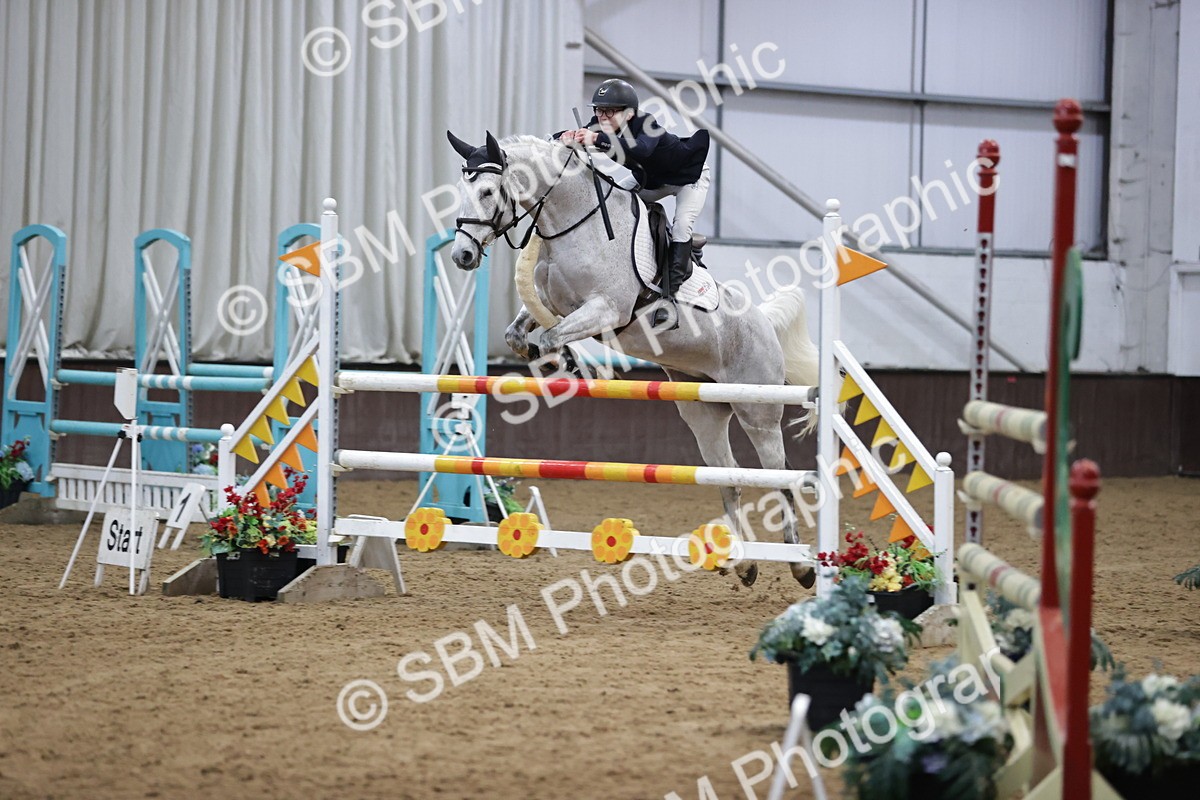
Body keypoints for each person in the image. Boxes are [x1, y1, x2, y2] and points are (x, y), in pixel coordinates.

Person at [558, 78, 711, 327]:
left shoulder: (646, 123)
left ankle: (670, 299)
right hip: (652, 179)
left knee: (682, 224)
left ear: (629, 114)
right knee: (613, 199)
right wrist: (564, 137)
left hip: (688, 178)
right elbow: (580, 135)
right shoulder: (600, 125)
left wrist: (595, 139)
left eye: (610, 111)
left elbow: (641, 150)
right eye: (599, 110)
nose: (602, 116)